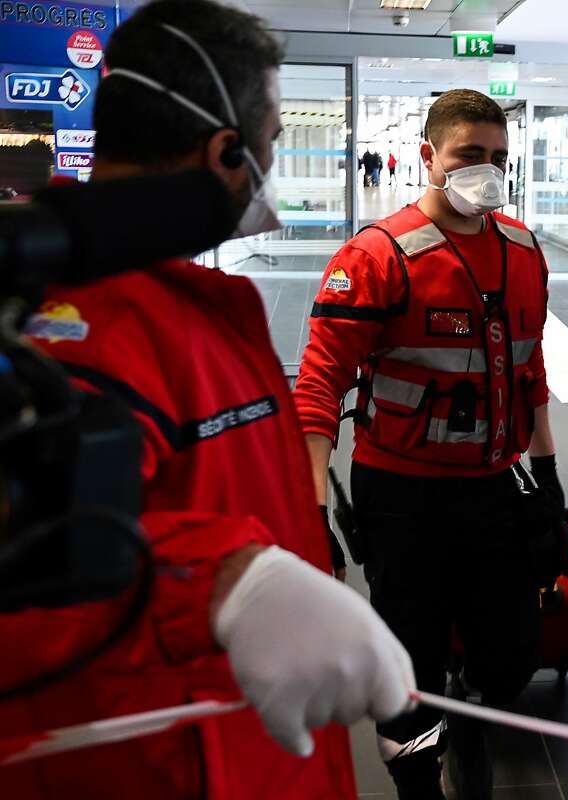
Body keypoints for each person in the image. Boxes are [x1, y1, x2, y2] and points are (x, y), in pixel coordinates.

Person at [0, 3, 418, 798]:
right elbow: (35, 558)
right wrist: (225, 583)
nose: (268, 161)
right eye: (268, 142)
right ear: (224, 150)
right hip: (162, 763)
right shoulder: (81, 324)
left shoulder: (199, 305)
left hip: (253, 743)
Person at [294, 88, 565, 799]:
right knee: (407, 665)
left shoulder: (524, 252)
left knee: (512, 654)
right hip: (403, 497)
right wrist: (309, 507)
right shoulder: (377, 257)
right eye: (469, 156)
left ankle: (471, 716)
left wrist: (549, 475)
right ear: (428, 158)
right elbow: (319, 389)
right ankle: (418, 779)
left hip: (495, 487)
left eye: (499, 158)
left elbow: (531, 371)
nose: (488, 171)